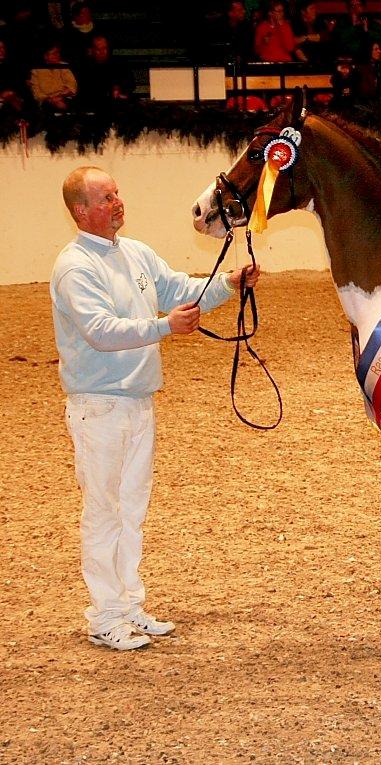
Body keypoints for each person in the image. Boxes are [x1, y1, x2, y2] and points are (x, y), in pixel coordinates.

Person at [51, 166, 261, 651]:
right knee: (103, 511)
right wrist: (166, 327)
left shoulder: (135, 253)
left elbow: (182, 291)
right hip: (98, 404)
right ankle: (104, 615)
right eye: (107, 197)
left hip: (138, 398)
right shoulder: (75, 266)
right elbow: (101, 331)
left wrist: (229, 282)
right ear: (82, 211)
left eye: (117, 193)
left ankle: (129, 603)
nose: (118, 202)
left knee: (132, 508)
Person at [75, 34, 134, 110]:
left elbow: (131, 83)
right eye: (98, 49)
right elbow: (86, 91)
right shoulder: (86, 67)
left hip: (119, 105)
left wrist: (120, 90)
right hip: (95, 106)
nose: (102, 52)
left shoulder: (119, 63)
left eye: (104, 48)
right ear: (92, 50)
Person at [29, 40, 77, 111]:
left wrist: (59, 97)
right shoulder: (36, 70)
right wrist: (51, 100)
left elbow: (72, 86)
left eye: (58, 52)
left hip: (64, 98)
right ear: (45, 56)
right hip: (47, 101)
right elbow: (37, 93)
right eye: (54, 53)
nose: (57, 55)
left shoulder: (64, 66)